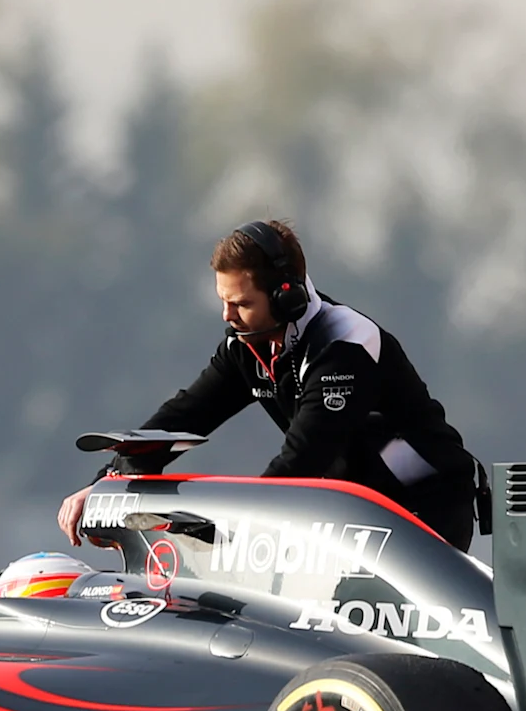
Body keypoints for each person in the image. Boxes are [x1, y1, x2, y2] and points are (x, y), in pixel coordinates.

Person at [56, 219, 477, 549]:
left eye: (241, 303)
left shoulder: (345, 344)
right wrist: (108, 484)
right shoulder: (246, 344)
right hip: (362, 513)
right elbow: (182, 418)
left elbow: (302, 461)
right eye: (223, 301)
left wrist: (231, 531)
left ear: (285, 298)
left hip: (426, 511)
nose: (227, 316)